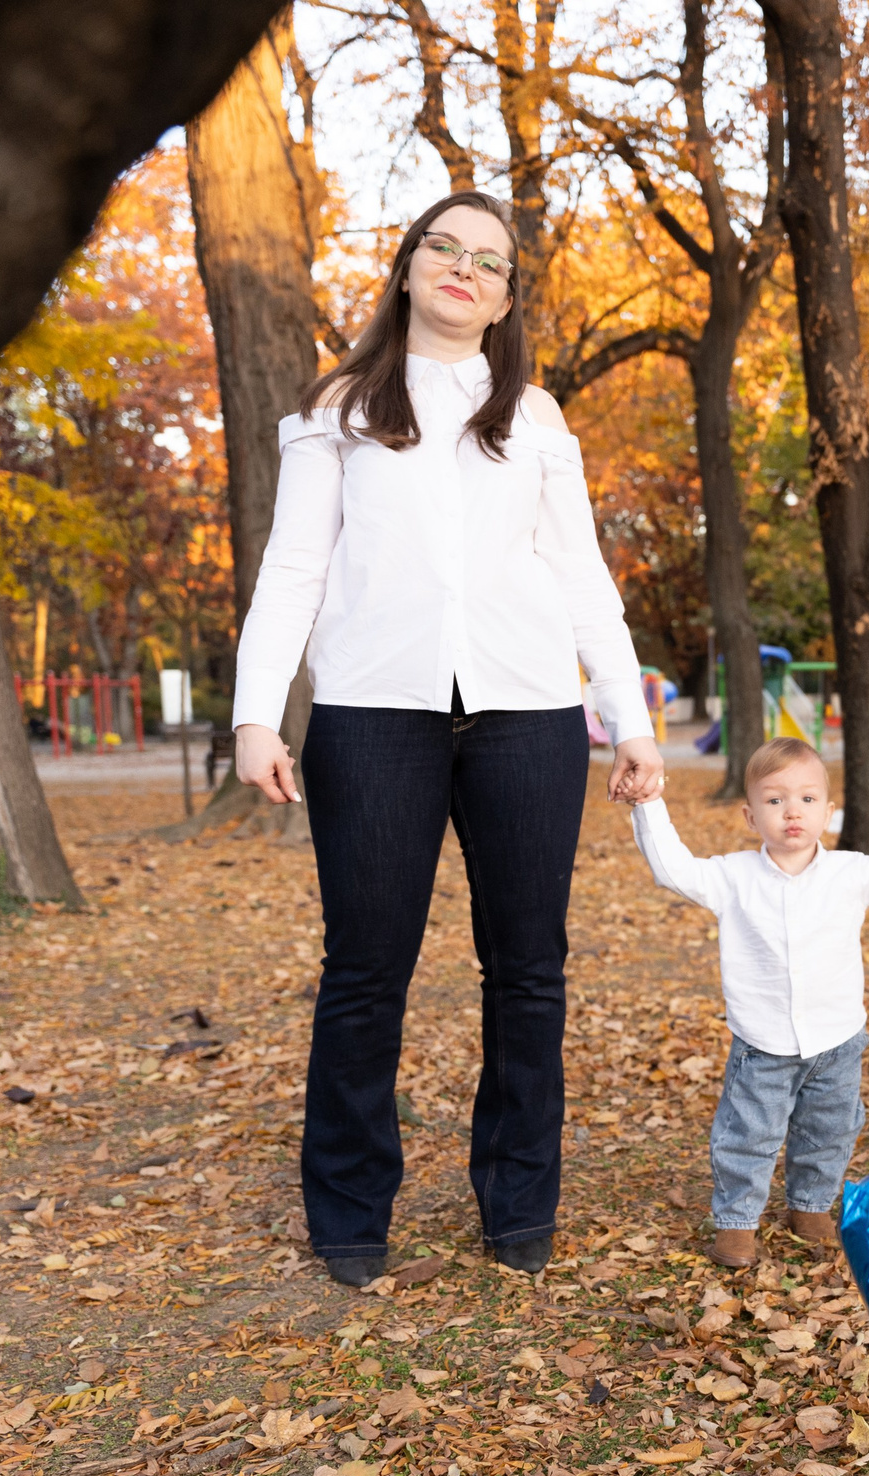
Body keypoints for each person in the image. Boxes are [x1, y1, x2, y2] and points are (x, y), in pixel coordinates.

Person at [233, 190, 664, 1287]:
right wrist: (255, 712)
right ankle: (348, 1217)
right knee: (365, 972)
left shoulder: (536, 416)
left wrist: (626, 711)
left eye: (490, 262)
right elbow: (294, 570)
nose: (465, 270)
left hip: (526, 719)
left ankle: (518, 1210)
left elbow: (580, 575)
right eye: (447, 249)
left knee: (528, 972)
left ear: (507, 298)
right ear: (410, 264)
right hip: (374, 719)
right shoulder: (339, 408)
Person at [630, 738, 869, 1268]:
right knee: (748, 1137)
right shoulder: (732, 877)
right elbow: (674, 870)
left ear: (828, 811)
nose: (791, 812)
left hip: (838, 1039)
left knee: (830, 1131)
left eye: (805, 799)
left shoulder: (851, 873)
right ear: (751, 815)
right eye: (775, 801)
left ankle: (810, 1206)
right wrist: (649, 804)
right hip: (764, 1042)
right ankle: (737, 1223)